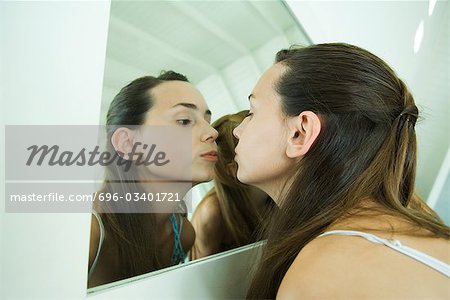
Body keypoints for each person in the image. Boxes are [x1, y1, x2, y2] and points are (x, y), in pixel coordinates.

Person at [232, 43, 450, 299]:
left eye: (251, 112)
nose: (237, 130)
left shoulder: (321, 274)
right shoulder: (418, 222)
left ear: (299, 133)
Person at [87, 71, 218, 288]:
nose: (212, 132)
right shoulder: (87, 230)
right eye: (184, 120)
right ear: (127, 144)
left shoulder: (183, 235)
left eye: (208, 121)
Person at [190, 110, 274, 260]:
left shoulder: (276, 190)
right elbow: (202, 277)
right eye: (257, 146)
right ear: (233, 169)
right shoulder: (211, 213)